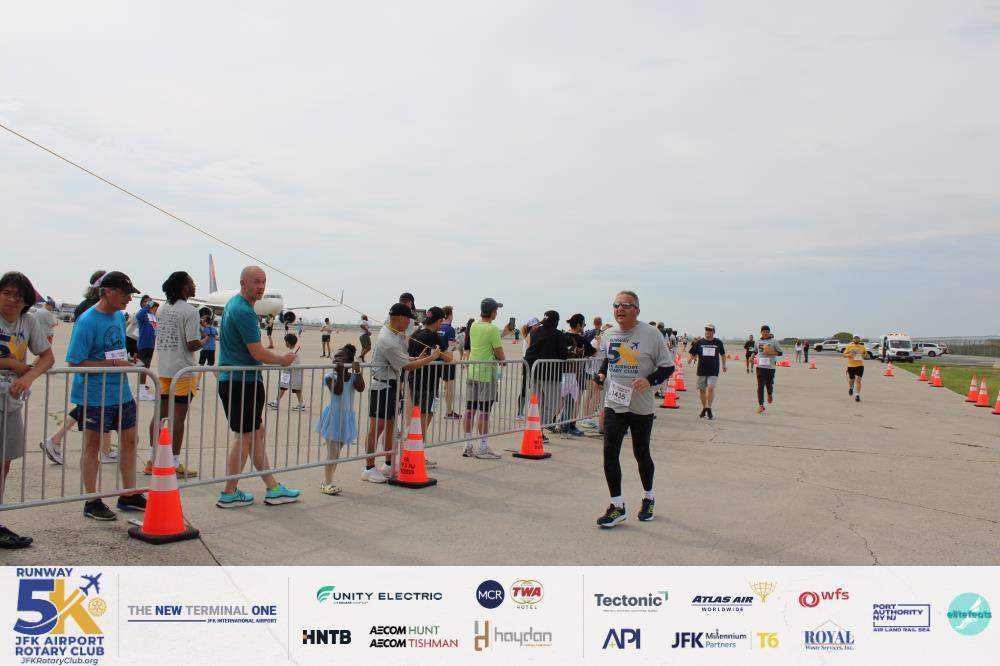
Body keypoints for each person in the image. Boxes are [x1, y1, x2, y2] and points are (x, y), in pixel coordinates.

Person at [215, 266, 300, 508]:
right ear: (243, 283)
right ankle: (229, 492)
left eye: (263, 281)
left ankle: (272, 487)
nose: (261, 286)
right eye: (255, 281)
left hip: (238, 380)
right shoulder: (244, 311)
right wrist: (283, 359)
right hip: (242, 382)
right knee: (245, 436)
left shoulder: (234, 305)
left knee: (255, 434)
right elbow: (258, 352)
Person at [65, 271, 147, 520]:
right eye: (125, 294)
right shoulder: (87, 321)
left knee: (130, 440)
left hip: (120, 391)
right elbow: (75, 362)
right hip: (95, 395)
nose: (129, 299)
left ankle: (129, 494)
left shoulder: (119, 317)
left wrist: (125, 360)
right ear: (108, 292)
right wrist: (112, 365)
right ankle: (91, 500)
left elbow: (115, 350)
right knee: (92, 446)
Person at [593, 290, 674, 528]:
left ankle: (648, 498)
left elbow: (667, 367)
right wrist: (601, 375)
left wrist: (649, 380)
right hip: (614, 403)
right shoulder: (608, 334)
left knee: (641, 453)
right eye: (616, 305)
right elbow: (609, 360)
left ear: (637, 310)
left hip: (641, 405)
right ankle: (617, 506)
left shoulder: (652, 334)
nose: (620, 309)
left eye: (626, 305)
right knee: (609, 453)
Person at [0, 272, 55, 547]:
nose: (12, 299)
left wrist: (28, 377)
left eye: (18, 296)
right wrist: (12, 364)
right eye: (7, 293)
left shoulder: (28, 321)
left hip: (9, 403)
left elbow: (47, 357)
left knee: (4, 462)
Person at [362, 303, 440, 483]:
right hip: (381, 387)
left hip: (391, 386)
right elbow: (407, 366)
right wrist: (431, 358)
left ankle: (389, 464)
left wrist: (418, 358)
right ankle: (369, 468)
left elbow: (402, 358)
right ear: (401, 318)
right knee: (377, 428)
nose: (409, 324)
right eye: (408, 320)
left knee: (390, 427)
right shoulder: (387, 339)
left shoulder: (395, 334)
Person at [145, 271, 206, 479]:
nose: (195, 286)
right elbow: (191, 344)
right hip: (183, 372)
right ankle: (173, 462)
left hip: (164, 370)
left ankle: (152, 460)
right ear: (184, 287)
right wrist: (205, 340)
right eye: (192, 282)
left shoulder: (162, 308)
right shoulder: (190, 311)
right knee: (178, 418)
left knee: (160, 415)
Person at [463, 298, 509, 459]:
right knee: (484, 411)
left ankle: (467, 444)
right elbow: (499, 353)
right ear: (493, 312)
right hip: (486, 375)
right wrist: (503, 360)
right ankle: (483, 447)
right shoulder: (492, 329)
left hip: (472, 372)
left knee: (470, 409)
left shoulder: (474, 325)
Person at [316, 344, 364, 495]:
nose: (336, 359)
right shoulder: (330, 376)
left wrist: (357, 371)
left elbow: (360, 388)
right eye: (335, 356)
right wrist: (341, 373)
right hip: (333, 417)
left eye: (340, 357)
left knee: (336, 453)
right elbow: (338, 391)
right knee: (333, 452)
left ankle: (328, 480)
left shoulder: (352, 375)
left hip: (346, 417)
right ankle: (327, 483)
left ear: (349, 361)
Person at [407, 307, 453, 459]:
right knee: (424, 418)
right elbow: (449, 357)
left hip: (414, 380)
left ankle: (414, 451)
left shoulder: (415, 333)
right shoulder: (433, 336)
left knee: (417, 418)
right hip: (428, 383)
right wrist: (445, 352)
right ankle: (417, 454)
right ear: (439, 321)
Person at [523, 311, 567, 443]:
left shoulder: (534, 332)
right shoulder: (558, 334)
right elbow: (564, 355)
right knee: (554, 403)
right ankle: (539, 428)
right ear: (556, 322)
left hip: (534, 373)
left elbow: (530, 351)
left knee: (537, 404)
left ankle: (538, 432)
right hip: (550, 374)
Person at [560, 313, 590, 436]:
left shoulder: (562, 336)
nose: (584, 327)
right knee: (573, 402)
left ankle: (556, 423)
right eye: (584, 324)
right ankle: (567, 426)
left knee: (564, 402)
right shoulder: (580, 339)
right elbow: (593, 351)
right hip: (575, 374)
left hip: (562, 373)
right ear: (578, 325)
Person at [688, 324, 726, 419]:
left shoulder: (718, 342)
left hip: (713, 370)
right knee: (702, 390)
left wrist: (724, 365)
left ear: (714, 332)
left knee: (711, 388)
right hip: (701, 370)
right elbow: (692, 352)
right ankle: (704, 408)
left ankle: (709, 408)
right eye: (706, 330)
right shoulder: (699, 342)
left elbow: (723, 354)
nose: (708, 331)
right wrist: (690, 358)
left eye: (710, 330)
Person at [268, 333, 304, 411]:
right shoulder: (292, 351)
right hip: (288, 374)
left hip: (294, 374)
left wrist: (282, 362)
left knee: (296, 389)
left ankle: (301, 405)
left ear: (288, 342)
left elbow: (287, 362)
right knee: (283, 388)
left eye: (285, 341)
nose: (285, 343)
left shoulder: (293, 353)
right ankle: (276, 402)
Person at [754, 325, 784, 414]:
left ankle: (769, 394)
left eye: (767, 332)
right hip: (760, 367)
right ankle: (761, 405)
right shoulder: (757, 341)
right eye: (764, 332)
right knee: (760, 386)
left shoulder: (774, 341)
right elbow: (755, 351)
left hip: (770, 367)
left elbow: (780, 353)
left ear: (769, 332)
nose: (766, 333)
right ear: (761, 332)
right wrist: (752, 357)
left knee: (769, 384)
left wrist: (771, 352)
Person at [438, 306, 460, 419]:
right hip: (446, 360)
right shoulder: (450, 329)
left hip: (435, 359)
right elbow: (451, 347)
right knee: (449, 386)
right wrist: (455, 346)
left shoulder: (437, 326)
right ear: (449, 315)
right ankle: (449, 411)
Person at [135, 299, 158, 401]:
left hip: (151, 345)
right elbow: (138, 316)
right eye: (155, 309)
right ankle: (141, 393)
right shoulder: (144, 315)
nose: (156, 311)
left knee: (146, 368)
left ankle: (142, 391)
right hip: (144, 344)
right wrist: (147, 306)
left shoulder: (154, 317)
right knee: (143, 368)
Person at [842, 334, 865, 402]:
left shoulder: (862, 347)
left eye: (857, 338)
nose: (856, 339)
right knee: (851, 380)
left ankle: (857, 395)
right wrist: (849, 354)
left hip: (860, 365)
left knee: (858, 380)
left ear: (859, 339)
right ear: (853, 339)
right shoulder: (849, 346)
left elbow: (865, 355)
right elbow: (844, 355)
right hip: (851, 366)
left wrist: (865, 355)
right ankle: (851, 387)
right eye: (855, 338)